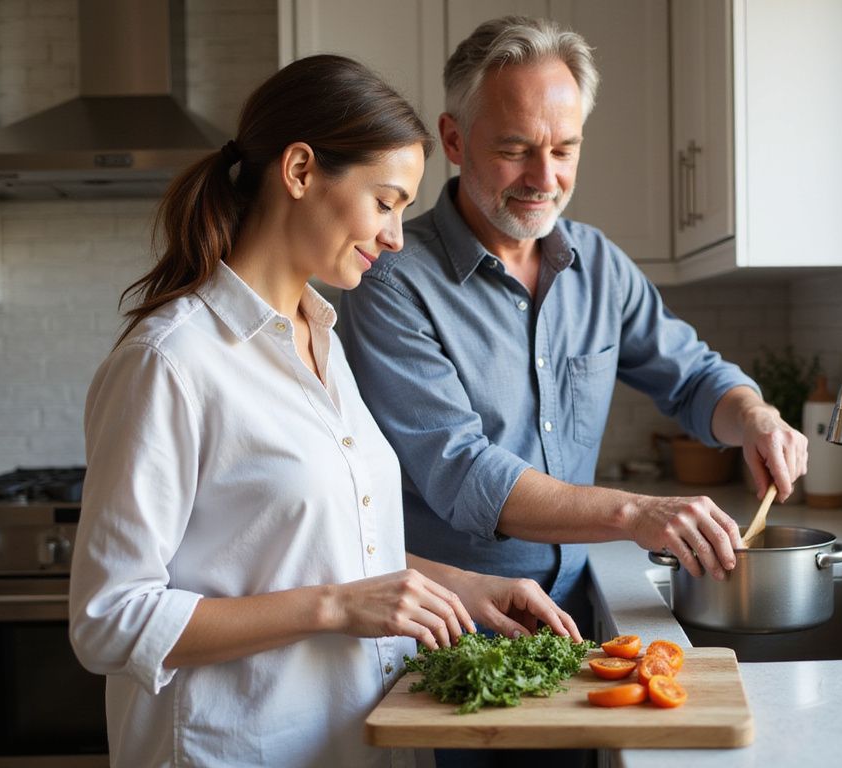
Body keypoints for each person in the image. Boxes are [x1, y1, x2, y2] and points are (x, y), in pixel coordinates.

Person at [68, 55, 580, 768]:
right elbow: (109, 621)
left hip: (347, 744)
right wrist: (335, 608)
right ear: (301, 171)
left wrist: (463, 587)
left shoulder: (322, 337)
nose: (397, 236)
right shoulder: (173, 361)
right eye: (385, 201)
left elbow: (319, 539)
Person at [340, 15, 808, 639]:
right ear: (453, 140)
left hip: (578, 611)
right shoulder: (393, 281)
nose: (545, 179)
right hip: (453, 627)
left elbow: (693, 378)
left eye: (564, 150)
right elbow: (463, 473)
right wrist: (636, 511)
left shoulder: (599, 265)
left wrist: (754, 415)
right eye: (514, 151)